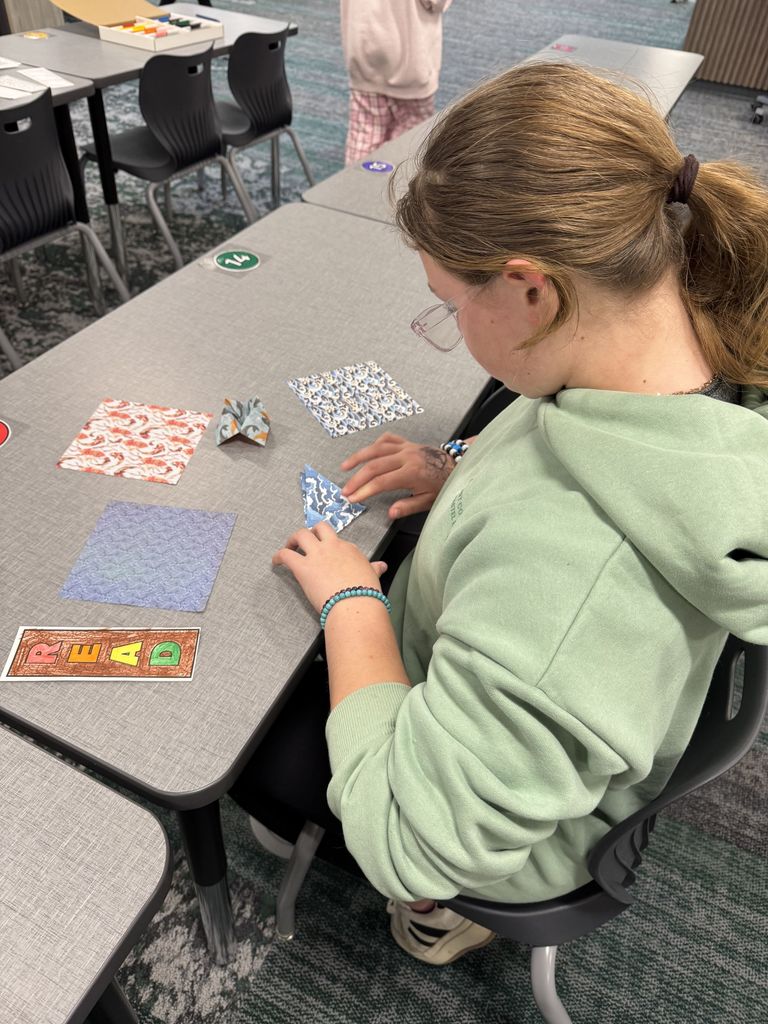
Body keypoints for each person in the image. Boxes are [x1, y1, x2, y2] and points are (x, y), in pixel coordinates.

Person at [230, 62, 768, 965]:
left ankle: (452, 919)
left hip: (485, 834)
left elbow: (413, 847)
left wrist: (350, 603)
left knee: (244, 736)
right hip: (545, 702)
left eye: (448, 305)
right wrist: (465, 469)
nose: (447, 323)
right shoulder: (682, 342)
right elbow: (568, 444)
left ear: (531, 289)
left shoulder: (577, 574)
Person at [341, 0, 453, 165]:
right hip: (411, 63)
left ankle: (355, 187)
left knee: (364, 139)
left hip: (363, 55)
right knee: (407, 150)